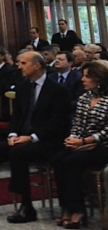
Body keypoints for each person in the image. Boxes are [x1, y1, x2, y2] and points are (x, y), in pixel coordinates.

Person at [0, 52, 71, 222]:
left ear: (36, 65)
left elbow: (59, 122)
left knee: (18, 152)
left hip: (47, 141)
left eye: (23, 63)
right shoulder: (23, 86)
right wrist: (13, 134)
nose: (19, 66)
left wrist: (32, 137)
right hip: (23, 138)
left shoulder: (57, 90)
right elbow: (16, 117)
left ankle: (26, 205)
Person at [52, 61, 108, 228]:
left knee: (71, 162)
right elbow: (77, 123)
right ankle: (67, 207)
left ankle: (78, 209)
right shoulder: (84, 98)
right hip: (82, 143)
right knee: (58, 158)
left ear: (99, 79)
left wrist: (84, 141)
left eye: (87, 76)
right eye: (83, 76)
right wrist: (73, 139)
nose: (82, 80)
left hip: (103, 145)